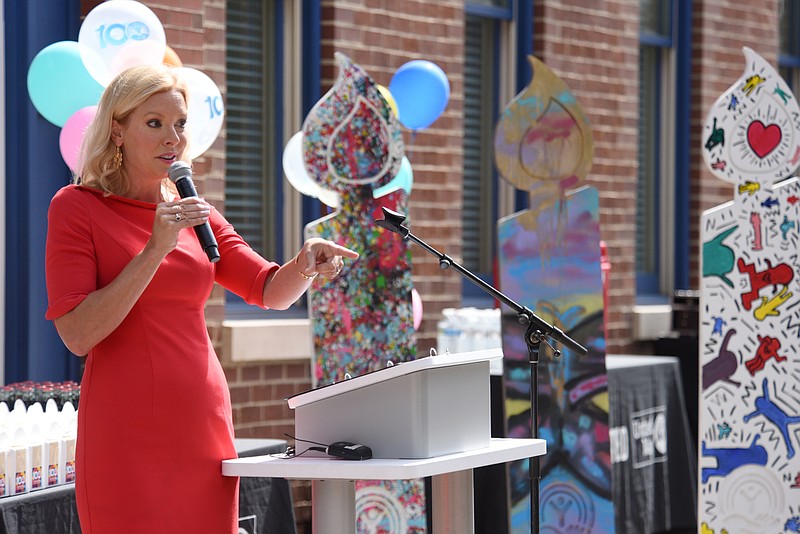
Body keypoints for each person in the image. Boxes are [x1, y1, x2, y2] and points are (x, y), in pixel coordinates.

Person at [44, 64, 358, 533]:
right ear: (118, 130)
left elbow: (268, 290)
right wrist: (155, 248)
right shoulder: (76, 206)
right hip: (124, 429)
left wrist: (304, 265)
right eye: (155, 123)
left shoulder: (197, 211)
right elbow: (77, 334)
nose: (173, 138)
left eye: (180, 124)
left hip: (200, 419)